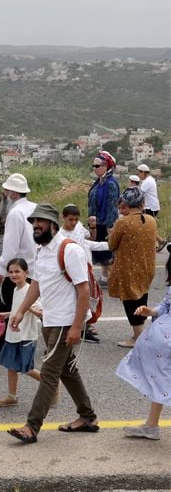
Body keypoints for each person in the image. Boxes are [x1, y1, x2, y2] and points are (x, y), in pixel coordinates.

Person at [6, 203, 99, 445]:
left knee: (49, 373)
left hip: (64, 322)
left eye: (41, 222)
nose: (35, 226)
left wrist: (77, 327)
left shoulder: (69, 250)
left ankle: (31, 426)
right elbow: (36, 283)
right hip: (50, 320)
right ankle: (87, 417)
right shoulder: (42, 250)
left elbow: (83, 290)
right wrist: (20, 311)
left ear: (53, 224)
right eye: (34, 222)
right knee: (67, 370)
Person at [0, 173, 37, 362]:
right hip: (33, 266)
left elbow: (11, 245)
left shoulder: (15, 213)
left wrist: (2, 269)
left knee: (4, 306)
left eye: (6, 191)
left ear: (13, 193)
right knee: (30, 306)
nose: (3, 194)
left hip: (17, 267)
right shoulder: (34, 208)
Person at [116, 253, 171, 441]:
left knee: (163, 376)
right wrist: (151, 311)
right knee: (161, 377)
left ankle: (152, 425)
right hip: (163, 338)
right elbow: (165, 305)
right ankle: (152, 425)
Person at [107, 187, 157, 349]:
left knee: (131, 302)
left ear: (127, 204)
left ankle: (138, 337)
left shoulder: (123, 222)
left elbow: (112, 244)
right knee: (142, 298)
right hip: (147, 266)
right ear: (142, 204)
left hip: (128, 268)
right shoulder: (151, 220)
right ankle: (139, 334)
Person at [0, 258, 45, 408]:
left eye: (17, 271)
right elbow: (18, 309)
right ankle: (12, 396)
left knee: (26, 368)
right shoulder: (16, 289)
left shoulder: (30, 290)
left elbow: (41, 313)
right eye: (10, 272)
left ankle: (51, 384)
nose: (14, 275)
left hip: (26, 335)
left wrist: (27, 308)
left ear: (26, 273)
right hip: (13, 334)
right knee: (11, 366)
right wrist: (8, 314)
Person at [59, 204, 109, 344]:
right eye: (70, 220)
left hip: (86, 269)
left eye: (76, 219)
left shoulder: (80, 227)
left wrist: (93, 226)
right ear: (64, 218)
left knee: (91, 299)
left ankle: (85, 324)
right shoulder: (60, 235)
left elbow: (90, 239)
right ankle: (80, 328)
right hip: (73, 273)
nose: (73, 223)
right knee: (79, 299)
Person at [88, 151, 120, 286]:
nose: (95, 168)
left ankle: (113, 278)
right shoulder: (99, 182)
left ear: (106, 166)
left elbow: (112, 206)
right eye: (94, 166)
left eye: (97, 166)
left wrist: (110, 227)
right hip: (97, 222)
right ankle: (105, 277)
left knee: (108, 252)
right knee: (100, 251)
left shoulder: (111, 183)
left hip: (106, 223)